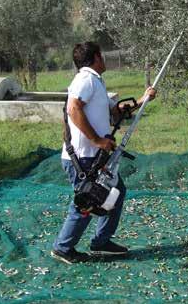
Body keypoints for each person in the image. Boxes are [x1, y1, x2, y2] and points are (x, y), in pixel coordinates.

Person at [51, 42, 156, 264]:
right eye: (102, 55)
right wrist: (97, 140)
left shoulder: (95, 81)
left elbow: (114, 111)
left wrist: (142, 100)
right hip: (83, 156)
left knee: (115, 192)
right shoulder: (85, 79)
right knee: (87, 201)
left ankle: (101, 242)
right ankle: (63, 248)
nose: (104, 59)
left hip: (94, 155)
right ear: (97, 57)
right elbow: (73, 108)